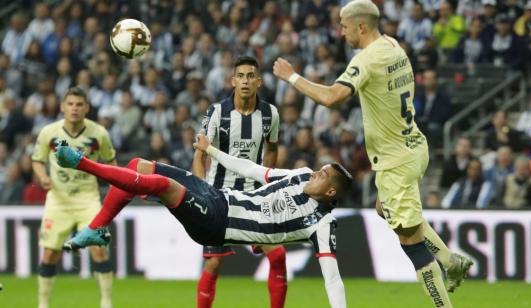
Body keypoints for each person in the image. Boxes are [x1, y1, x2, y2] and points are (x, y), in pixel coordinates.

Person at [272, 1, 472, 306]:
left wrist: (292, 77)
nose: (341, 32)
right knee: (384, 208)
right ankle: (450, 260)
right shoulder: (393, 45)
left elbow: (331, 97)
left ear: (361, 26)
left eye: (343, 25)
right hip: (413, 146)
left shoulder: (366, 60)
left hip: (395, 161)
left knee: (412, 243)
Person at [56, 134, 349, 308]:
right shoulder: (301, 175)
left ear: (331, 191)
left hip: (218, 224)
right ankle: (97, 228)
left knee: (160, 184)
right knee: (138, 166)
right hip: (218, 196)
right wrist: (212, 151)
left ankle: (80, 163)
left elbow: (332, 278)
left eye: (321, 175)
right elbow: (254, 169)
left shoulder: (322, 224)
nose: (314, 174)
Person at [192, 56, 285, 308]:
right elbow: (199, 154)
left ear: (259, 81)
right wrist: (202, 191)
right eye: (240, 76)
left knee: (278, 256)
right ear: (233, 81)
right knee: (213, 262)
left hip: (255, 198)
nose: (245, 81)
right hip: (219, 197)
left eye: (250, 76)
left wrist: (267, 179)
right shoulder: (216, 112)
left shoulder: (270, 114)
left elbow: (273, 148)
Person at [31, 87, 115, 308]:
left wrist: (116, 185)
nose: (74, 109)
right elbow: (37, 160)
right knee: (50, 253)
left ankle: (106, 301)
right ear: (62, 107)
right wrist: (42, 177)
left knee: (99, 248)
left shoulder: (99, 134)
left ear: (87, 108)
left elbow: (111, 162)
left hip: (88, 199)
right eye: (70, 104)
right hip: (58, 199)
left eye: (79, 104)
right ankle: (43, 303)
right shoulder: (49, 132)